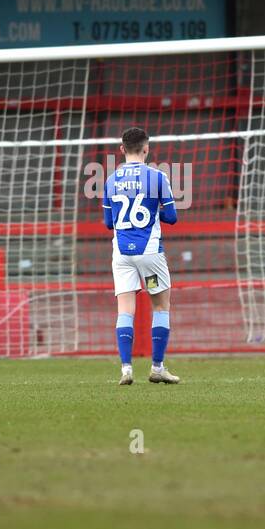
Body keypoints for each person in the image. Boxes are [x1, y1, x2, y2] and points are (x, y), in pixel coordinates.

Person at [104, 127, 179, 386]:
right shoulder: (158, 177)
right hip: (150, 252)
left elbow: (107, 223)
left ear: (122, 149)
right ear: (146, 148)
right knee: (160, 306)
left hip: (122, 252)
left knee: (125, 310)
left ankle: (126, 369)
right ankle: (157, 368)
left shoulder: (111, 180)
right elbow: (171, 218)